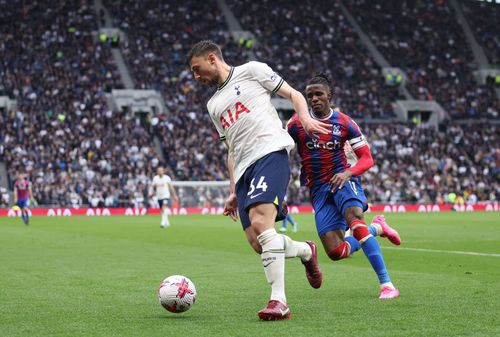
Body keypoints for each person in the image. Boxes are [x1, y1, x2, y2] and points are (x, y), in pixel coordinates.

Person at [187, 40, 330, 320]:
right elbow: (230, 149)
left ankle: (279, 301)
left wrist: (305, 118)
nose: (196, 76)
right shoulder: (213, 104)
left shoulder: (252, 71)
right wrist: (232, 190)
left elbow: (293, 94)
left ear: (212, 58)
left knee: (261, 224)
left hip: (269, 153)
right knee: (258, 242)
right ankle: (305, 250)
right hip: (242, 170)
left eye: (197, 68)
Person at [287, 73, 401, 299]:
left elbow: (367, 158)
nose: (314, 99)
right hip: (319, 190)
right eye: (309, 96)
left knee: (355, 221)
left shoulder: (344, 122)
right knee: (336, 252)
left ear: (329, 95)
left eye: (319, 94)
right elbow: (281, 154)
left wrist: (347, 172)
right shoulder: (295, 124)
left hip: (344, 180)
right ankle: (378, 228)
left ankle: (387, 284)